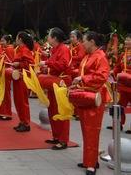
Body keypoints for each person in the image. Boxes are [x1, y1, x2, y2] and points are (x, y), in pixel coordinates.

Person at [73, 31, 110, 175]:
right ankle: (89, 159)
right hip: (85, 96)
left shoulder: (100, 57)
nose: (82, 43)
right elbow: (84, 72)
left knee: (92, 130)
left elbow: (102, 76)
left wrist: (82, 79)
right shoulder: (88, 56)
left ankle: (91, 164)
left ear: (92, 42)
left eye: (84, 41)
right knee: (85, 129)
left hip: (94, 97)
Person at [39, 27, 72, 150]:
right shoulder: (54, 49)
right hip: (53, 81)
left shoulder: (63, 49)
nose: (47, 38)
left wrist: (47, 63)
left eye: (49, 36)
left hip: (61, 83)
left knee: (61, 110)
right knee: (52, 109)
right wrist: (45, 67)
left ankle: (63, 140)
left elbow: (63, 65)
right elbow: (53, 65)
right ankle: (56, 136)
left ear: (55, 38)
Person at [8, 31, 34, 132]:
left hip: (23, 78)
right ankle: (22, 121)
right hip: (17, 78)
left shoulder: (25, 50)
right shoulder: (19, 49)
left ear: (20, 39)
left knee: (22, 101)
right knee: (18, 100)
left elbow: (30, 64)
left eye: (17, 38)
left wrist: (18, 65)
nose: (15, 39)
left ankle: (26, 123)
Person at [112, 33, 131, 131]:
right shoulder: (123, 54)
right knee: (120, 105)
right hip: (123, 85)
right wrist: (112, 72)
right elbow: (117, 67)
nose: (126, 41)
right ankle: (118, 124)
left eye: (129, 40)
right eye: (126, 40)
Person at [0, 34, 15, 120]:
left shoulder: (9, 49)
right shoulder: (5, 49)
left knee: (6, 93)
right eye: (1, 40)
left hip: (6, 72)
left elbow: (10, 62)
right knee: (3, 91)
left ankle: (7, 113)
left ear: (8, 41)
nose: (1, 42)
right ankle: (3, 111)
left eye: (3, 41)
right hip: (3, 72)